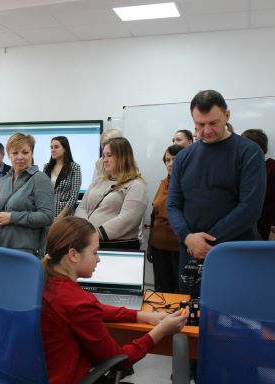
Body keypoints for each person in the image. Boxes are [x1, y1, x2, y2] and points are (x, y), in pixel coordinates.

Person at [41, 216, 188, 384]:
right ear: (73, 255)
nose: (98, 259)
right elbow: (119, 360)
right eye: (94, 252)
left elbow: (93, 309)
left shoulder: (45, 282)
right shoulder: (78, 301)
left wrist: (142, 316)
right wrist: (161, 330)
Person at [167, 90, 266, 294]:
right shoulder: (184, 157)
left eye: (213, 123)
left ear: (227, 116)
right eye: (200, 124)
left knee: (233, 309)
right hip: (191, 255)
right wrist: (188, 237)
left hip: (233, 254)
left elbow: (250, 208)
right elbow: (174, 205)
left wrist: (206, 242)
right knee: (191, 310)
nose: (207, 130)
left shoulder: (248, 152)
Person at [0, 133, 54, 256]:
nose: (20, 157)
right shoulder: (3, 181)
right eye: (15, 153)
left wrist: (12, 217)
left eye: (25, 152)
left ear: (32, 153)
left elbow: (47, 216)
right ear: (8, 155)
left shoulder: (40, 179)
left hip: (26, 252)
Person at [75, 137, 147, 249]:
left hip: (118, 247)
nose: (104, 160)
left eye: (109, 155)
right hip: (90, 243)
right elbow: (82, 207)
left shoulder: (136, 185)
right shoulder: (98, 180)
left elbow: (128, 219)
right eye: (104, 155)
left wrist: (96, 234)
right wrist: (85, 229)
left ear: (123, 157)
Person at [147, 144, 184, 293]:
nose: (170, 164)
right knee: (162, 292)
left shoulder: (189, 184)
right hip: (158, 246)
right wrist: (150, 245)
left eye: (175, 159)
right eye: (168, 160)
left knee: (180, 292)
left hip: (179, 248)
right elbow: (154, 215)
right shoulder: (163, 183)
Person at [242, 129, 275, 240]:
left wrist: (274, 231)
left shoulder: (274, 167)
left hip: (263, 228)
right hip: (241, 227)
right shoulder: (241, 167)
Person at [43, 136, 82, 219]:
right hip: (47, 214)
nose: (53, 150)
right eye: (51, 147)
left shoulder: (74, 167)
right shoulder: (46, 167)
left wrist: (60, 217)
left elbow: (74, 196)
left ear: (65, 149)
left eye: (56, 147)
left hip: (65, 217)